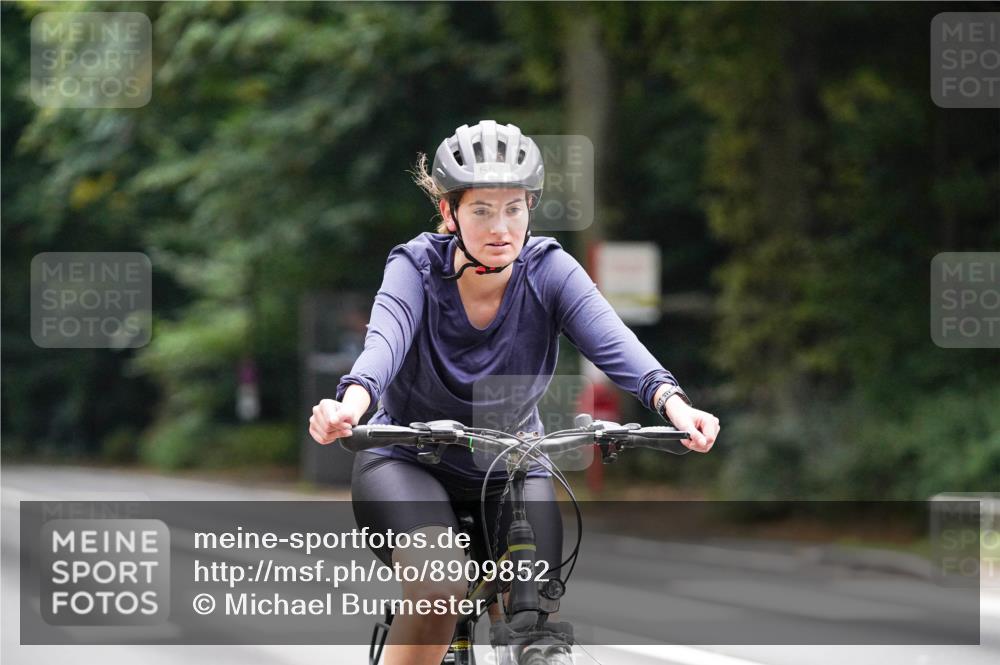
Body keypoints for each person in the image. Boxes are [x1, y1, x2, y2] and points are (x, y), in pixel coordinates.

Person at [309, 120, 720, 665]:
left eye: (514, 209)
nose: (500, 226)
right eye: (481, 210)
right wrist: (351, 405)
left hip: (513, 463)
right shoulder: (415, 266)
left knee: (532, 617)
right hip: (409, 459)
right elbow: (384, 343)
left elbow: (615, 342)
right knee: (437, 591)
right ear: (449, 212)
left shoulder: (549, 270)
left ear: (531, 208)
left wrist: (675, 403)